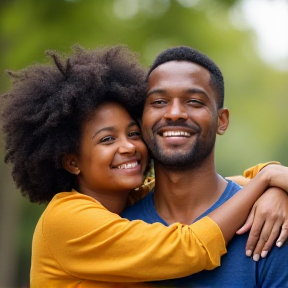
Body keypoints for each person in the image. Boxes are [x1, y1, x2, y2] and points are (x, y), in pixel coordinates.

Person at [1, 45, 288, 288]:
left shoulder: (129, 199)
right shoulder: (67, 219)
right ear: (72, 161)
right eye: (107, 139)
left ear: (222, 120)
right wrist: (265, 182)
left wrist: (271, 181)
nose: (127, 146)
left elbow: (214, 185)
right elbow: (189, 247)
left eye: (133, 133)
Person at [122, 46, 288, 287]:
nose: (175, 113)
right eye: (159, 101)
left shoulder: (270, 222)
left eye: (194, 101)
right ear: (141, 120)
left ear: (221, 121)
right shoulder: (115, 226)